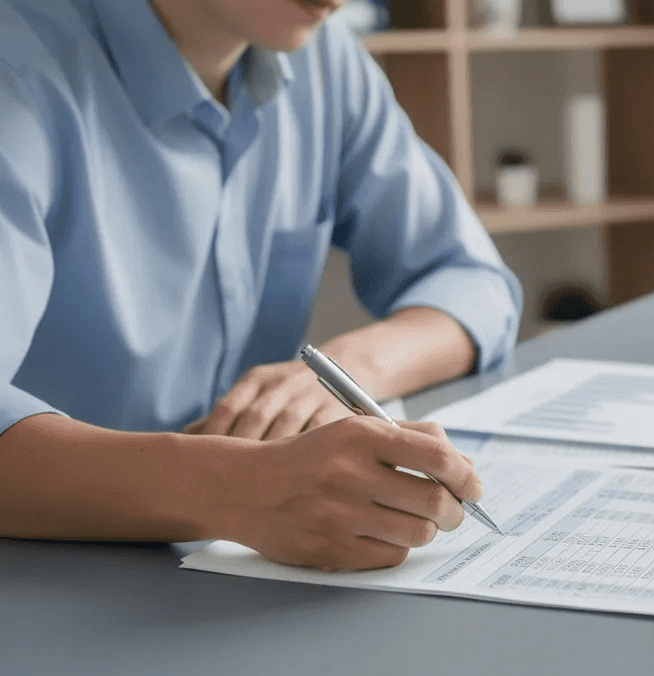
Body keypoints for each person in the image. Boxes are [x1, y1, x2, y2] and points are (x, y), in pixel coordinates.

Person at [0, 0, 523, 570]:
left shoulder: (324, 61)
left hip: (221, 577)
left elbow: (473, 281)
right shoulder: (18, 75)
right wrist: (236, 489)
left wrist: (349, 371)